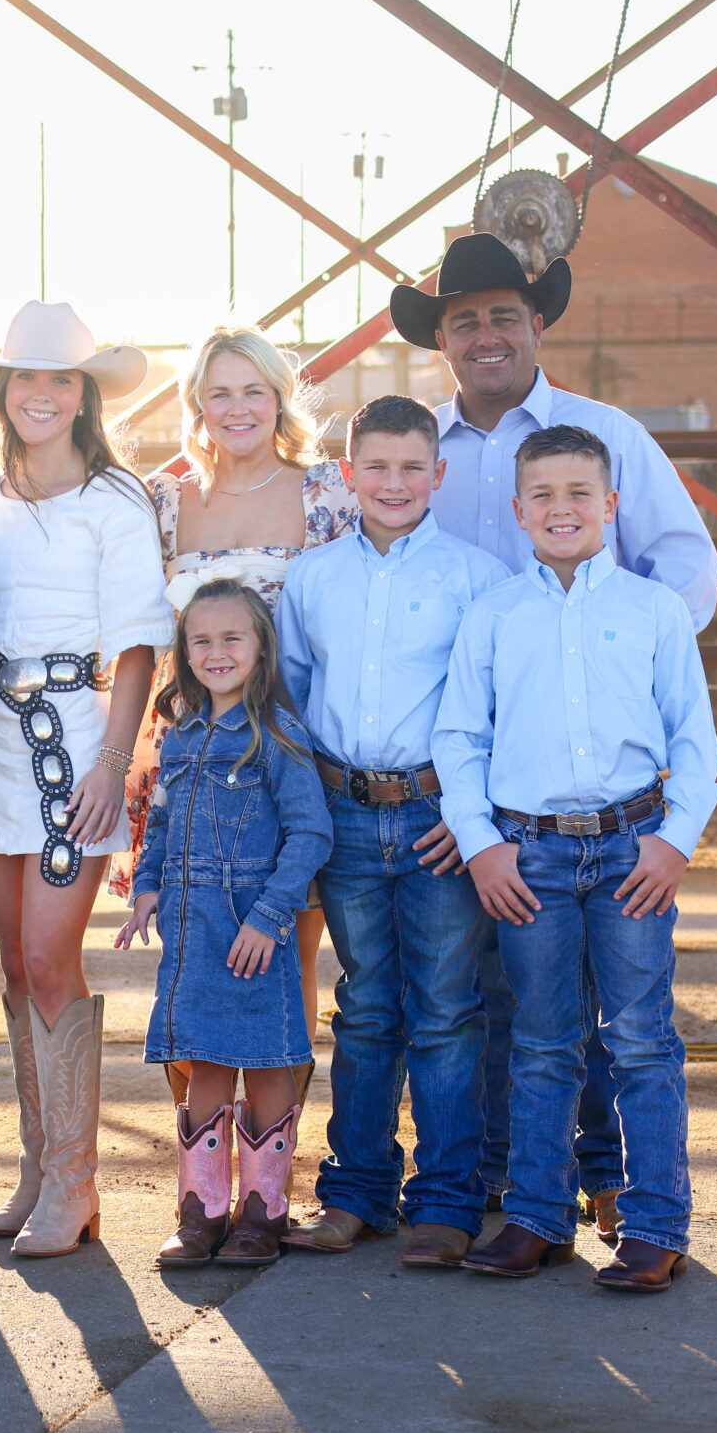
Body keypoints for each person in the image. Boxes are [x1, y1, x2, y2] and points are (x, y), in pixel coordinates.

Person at [393, 232, 717, 1231]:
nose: (486, 334)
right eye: (465, 319)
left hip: (579, 778)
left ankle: (610, 1174)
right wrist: (469, 797)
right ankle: (503, 1181)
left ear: (537, 322)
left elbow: (685, 566)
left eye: (503, 314)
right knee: (491, 991)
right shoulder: (416, 454)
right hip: (465, 773)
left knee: (604, 1002)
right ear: (441, 338)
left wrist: (611, 667)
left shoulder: (601, 433)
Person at [435, 424, 717, 1292]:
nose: (563, 509)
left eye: (580, 493)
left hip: (634, 849)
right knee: (540, 1041)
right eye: (544, 496)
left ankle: (655, 1223)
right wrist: (483, 847)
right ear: (518, 511)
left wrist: (674, 842)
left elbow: (695, 741)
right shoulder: (493, 616)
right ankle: (537, 1217)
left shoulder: (654, 611)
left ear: (612, 504)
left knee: (640, 1040)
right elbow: (458, 740)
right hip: (531, 859)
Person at [0, 301, 170, 1258]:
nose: (41, 394)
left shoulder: (117, 503)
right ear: (3, 391)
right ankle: (40, 1167)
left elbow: (136, 650)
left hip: (75, 746)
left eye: (60, 379)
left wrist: (112, 765)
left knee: (49, 957)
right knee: (10, 963)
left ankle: (76, 1187)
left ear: (84, 397)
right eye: (25, 377)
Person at [274, 395, 511, 1268]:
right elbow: (293, 698)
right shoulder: (313, 579)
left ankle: (446, 1201)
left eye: (413, 467)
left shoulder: (477, 579)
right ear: (347, 474)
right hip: (343, 811)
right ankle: (356, 1193)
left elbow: (495, 710)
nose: (394, 482)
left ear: (439, 475)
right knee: (367, 1007)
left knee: (447, 1009)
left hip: (436, 815)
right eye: (376, 466)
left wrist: (471, 812)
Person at [133, 325, 357, 1114]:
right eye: (218, 392)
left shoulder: (324, 492)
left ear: (278, 399)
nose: (237, 408)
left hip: (286, 761)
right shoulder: (166, 500)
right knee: (191, 961)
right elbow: (144, 643)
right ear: (197, 403)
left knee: (285, 964)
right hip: (188, 757)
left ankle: (269, 1182)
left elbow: (348, 636)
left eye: (253, 390)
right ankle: (204, 1185)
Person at [117, 579, 331, 1267]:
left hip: (252, 929)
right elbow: (163, 825)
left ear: (262, 648)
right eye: (201, 641)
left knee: (267, 1059)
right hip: (191, 929)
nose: (216, 652)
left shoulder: (278, 736)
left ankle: (261, 1214)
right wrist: (147, 890)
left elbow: (309, 834)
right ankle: (200, 1213)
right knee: (204, 1059)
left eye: (232, 638)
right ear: (183, 653)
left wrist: (269, 918)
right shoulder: (179, 737)